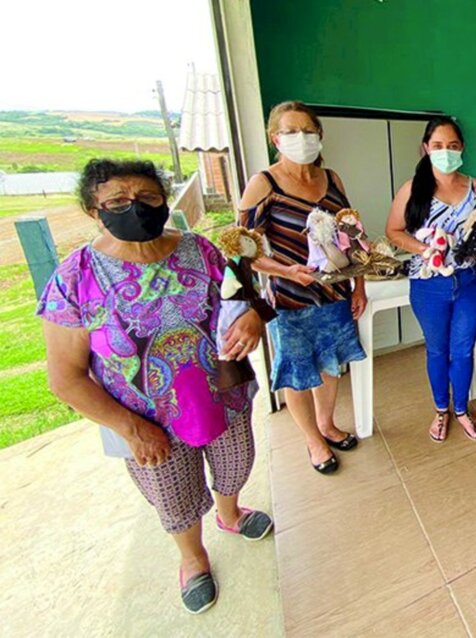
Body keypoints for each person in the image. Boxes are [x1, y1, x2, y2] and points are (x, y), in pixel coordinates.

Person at [39, 159, 273, 614]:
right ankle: (193, 558)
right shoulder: (76, 277)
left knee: (234, 464)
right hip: (146, 418)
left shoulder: (200, 250)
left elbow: (240, 297)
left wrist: (250, 317)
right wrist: (128, 428)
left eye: (147, 198)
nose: (136, 208)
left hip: (221, 395)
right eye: (118, 202)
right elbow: (64, 376)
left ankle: (230, 515)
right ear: (94, 210)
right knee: (173, 491)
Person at [238, 101, 366, 476]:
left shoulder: (333, 179)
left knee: (330, 364)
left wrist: (359, 285)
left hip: (334, 294)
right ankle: (312, 438)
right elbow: (244, 250)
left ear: (319, 135)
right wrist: (287, 272)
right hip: (290, 299)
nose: (301, 139)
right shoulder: (264, 183)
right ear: (274, 137)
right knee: (297, 371)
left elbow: (351, 235)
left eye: (308, 131)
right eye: (291, 132)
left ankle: (327, 423)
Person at [386, 116, 476, 442]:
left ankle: (461, 409)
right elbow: (393, 231)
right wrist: (424, 248)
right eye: (437, 146)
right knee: (437, 350)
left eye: (453, 146)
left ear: (462, 149)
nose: (445, 152)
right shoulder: (412, 188)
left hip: (469, 282)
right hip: (428, 284)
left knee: (462, 350)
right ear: (425, 148)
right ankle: (440, 411)